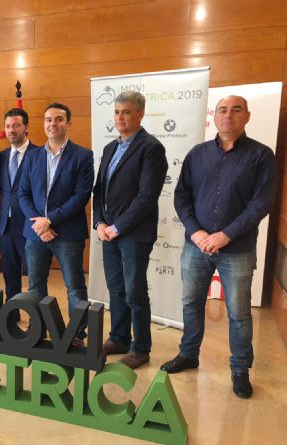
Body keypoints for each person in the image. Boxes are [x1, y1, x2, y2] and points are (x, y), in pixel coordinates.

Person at [161, 95, 276, 398]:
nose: (228, 115)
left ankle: (240, 369)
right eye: (223, 110)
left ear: (247, 116)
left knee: (239, 313)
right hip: (195, 246)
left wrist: (225, 235)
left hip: (237, 249)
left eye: (236, 110)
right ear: (215, 116)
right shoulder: (197, 154)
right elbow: (181, 197)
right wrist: (196, 232)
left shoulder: (261, 155)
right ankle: (189, 354)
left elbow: (261, 203)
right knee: (191, 303)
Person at [92, 91, 168, 369]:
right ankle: (119, 338)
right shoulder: (110, 148)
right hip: (108, 233)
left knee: (134, 291)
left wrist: (118, 226)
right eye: (116, 112)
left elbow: (147, 197)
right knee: (116, 289)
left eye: (126, 112)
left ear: (140, 114)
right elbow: (99, 190)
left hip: (133, 235)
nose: (120, 117)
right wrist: (99, 223)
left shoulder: (151, 148)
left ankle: (140, 348)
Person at [19, 103, 94, 346]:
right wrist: (39, 224)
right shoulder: (32, 156)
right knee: (35, 285)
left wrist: (50, 220)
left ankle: (77, 334)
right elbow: (23, 194)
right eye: (48, 119)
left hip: (68, 233)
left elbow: (81, 196)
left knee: (74, 286)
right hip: (35, 234)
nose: (53, 124)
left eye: (59, 119)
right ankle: (37, 326)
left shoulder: (83, 156)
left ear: (68, 123)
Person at [0, 108, 39, 305]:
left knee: (35, 277)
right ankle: (11, 313)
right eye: (7, 126)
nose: (11, 130)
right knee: (10, 275)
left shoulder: (39, 154)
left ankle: (36, 318)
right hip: (5, 226)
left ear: (26, 127)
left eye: (16, 125)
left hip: (29, 225)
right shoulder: (0, 157)